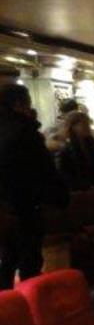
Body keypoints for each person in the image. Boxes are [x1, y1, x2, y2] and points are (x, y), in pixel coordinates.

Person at [0, 83, 68, 289]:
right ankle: (29, 305)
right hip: (25, 207)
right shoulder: (25, 132)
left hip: (4, 209)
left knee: (6, 263)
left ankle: (5, 304)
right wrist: (60, 197)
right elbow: (43, 170)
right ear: (18, 104)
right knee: (29, 263)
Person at [55, 111, 94, 192]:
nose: (88, 127)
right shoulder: (66, 148)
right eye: (84, 124)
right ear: (72, 127)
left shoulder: (90, 143)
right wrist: (85, 187)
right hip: (78, 191)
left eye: (88, 124)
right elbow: (66, 175)